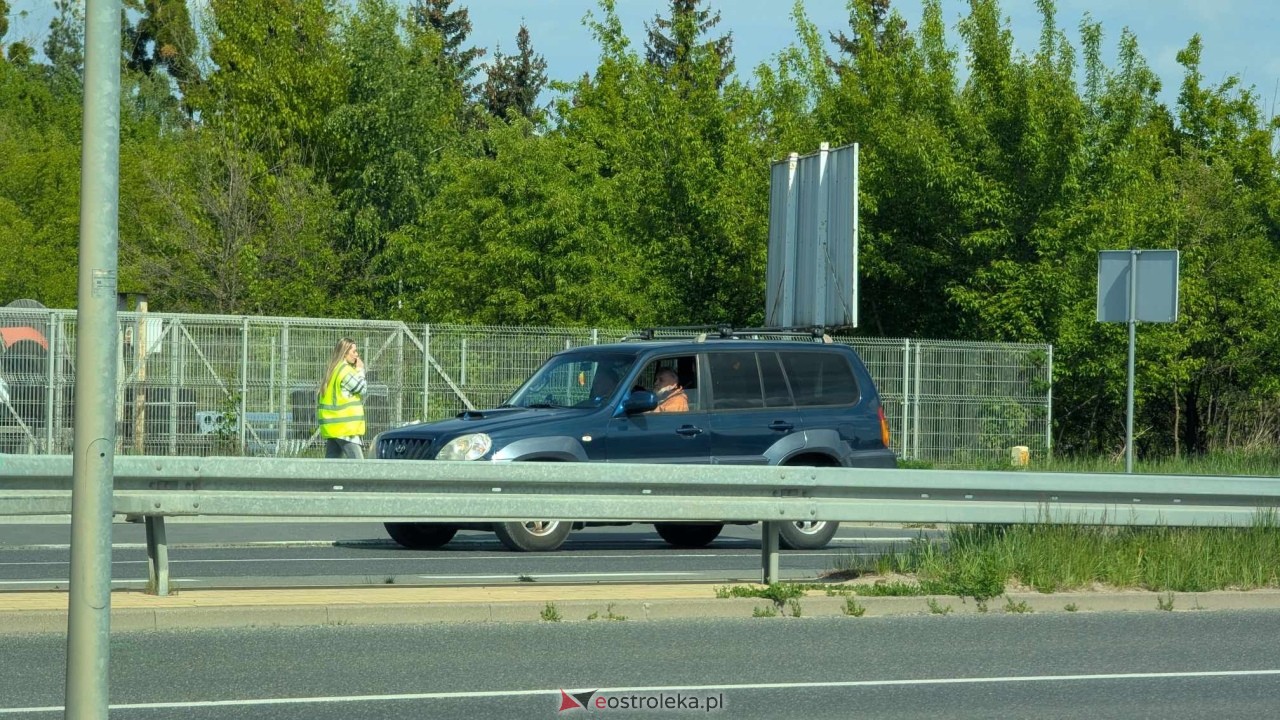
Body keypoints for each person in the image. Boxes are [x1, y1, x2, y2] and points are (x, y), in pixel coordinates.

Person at [317, 337, 366, 459]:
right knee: (359, 466)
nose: (357, 355)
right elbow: (362, 388)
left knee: (332, 467)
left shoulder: (334, 369)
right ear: (345, 353)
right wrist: (360, 370)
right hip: (346, 429)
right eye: (354, 351)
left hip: (332, 427)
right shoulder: (345, 370)